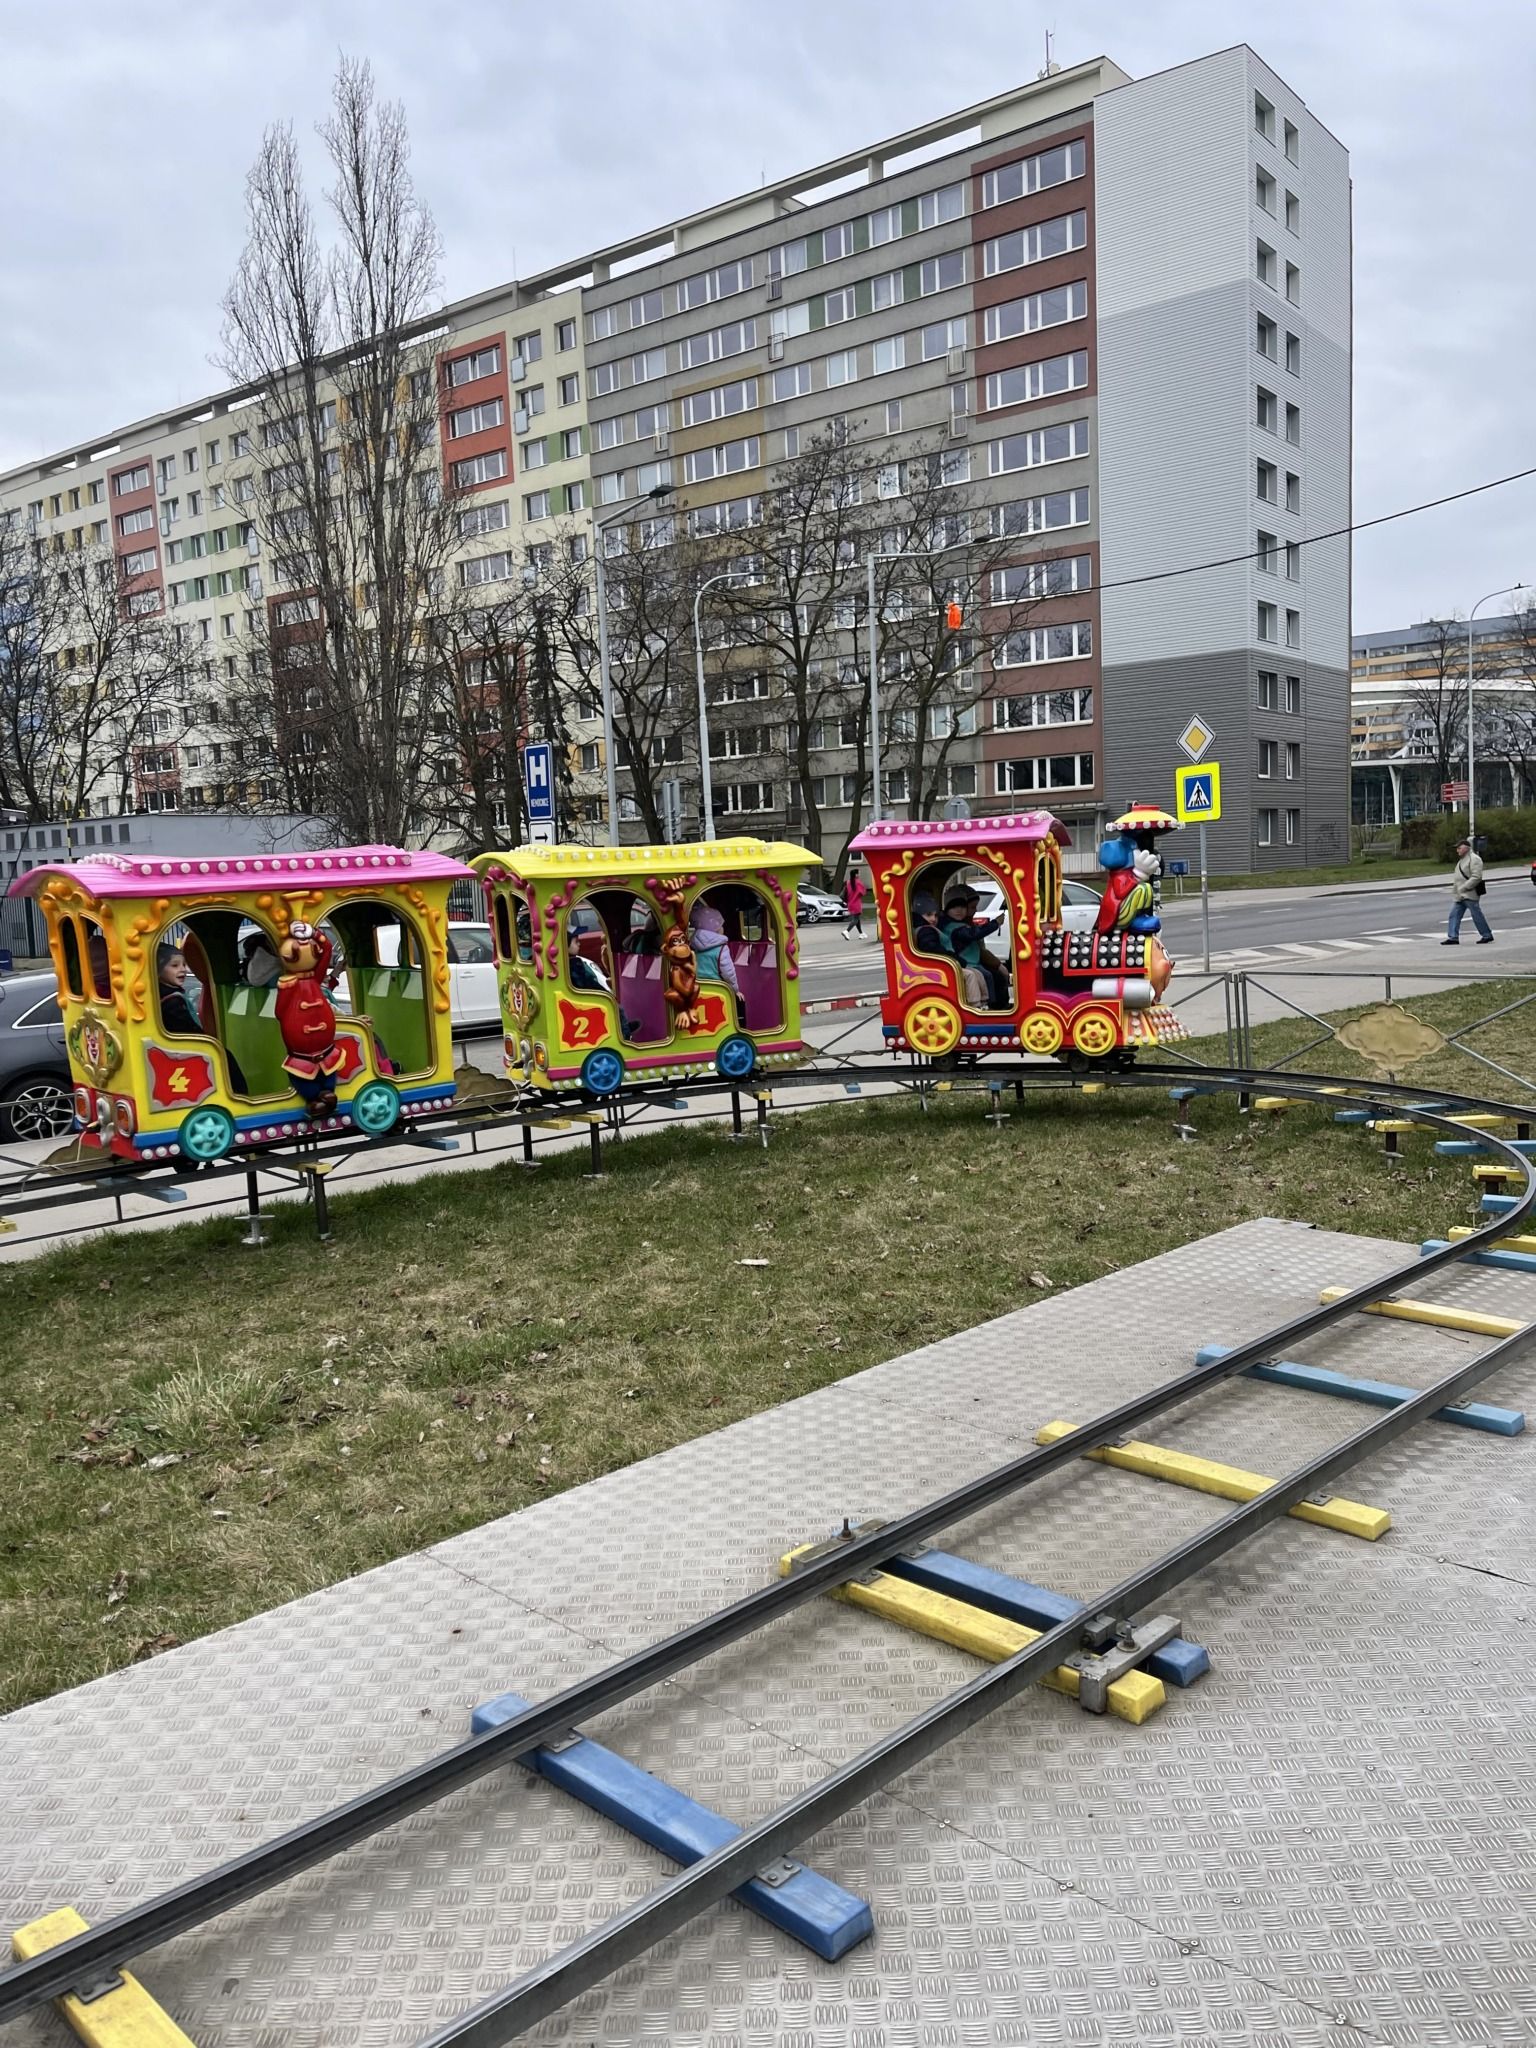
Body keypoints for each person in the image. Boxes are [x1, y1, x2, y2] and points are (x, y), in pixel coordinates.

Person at [941, 887, 1009, 1008]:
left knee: (989, 975)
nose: (959, 910)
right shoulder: (954, 927)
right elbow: (973, 934)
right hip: (966, 963)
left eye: (962, 907)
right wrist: (995, 924)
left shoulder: (962, 924)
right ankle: (989, 1005)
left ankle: (990, 1005)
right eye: (972, 907)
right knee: (987, 975)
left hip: (972, 962)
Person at [688, 902, 744, 1021]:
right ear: (716, 929)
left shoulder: (692, 946)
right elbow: (728, 973)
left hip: (696, 989)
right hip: (718, 989)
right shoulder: (722, 948)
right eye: (721, 926)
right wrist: (735, 990)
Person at [1443, 837, 1493, 946]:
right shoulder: (1462, 860)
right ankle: (1453, 937)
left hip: (1470, 894)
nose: (1457, 850)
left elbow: (1476, 877)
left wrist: (1464, 887)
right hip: (1460, 895)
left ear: (1466, 848)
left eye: (1459, 848)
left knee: (1476, 915)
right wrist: (1457, 891)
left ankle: (1487, 935)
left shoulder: (1474, 859)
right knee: (1454, 915)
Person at [156, 945, 201, 1035]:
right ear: (158, 969)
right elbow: (191, 1032)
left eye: (184, 965)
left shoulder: (164, 995)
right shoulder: (172, 1002)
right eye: (175, 965)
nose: (183, 969)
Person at [842, 868, 867, 939]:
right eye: (859, 873)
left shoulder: (848, 882)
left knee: (857, 919)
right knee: (855, 919)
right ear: (856, 875)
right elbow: (863, 892)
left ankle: (861, 933)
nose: (859, 874)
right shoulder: (858, 882)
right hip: (856, 903)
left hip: (850, 903)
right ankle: (847, 931)